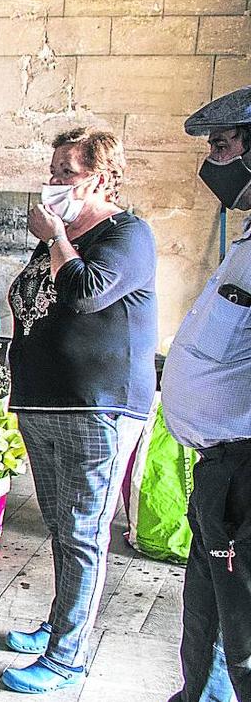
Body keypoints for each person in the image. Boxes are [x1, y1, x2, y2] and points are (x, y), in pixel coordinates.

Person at [1, 128, 158, 693]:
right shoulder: (56, 241)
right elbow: (27, 301)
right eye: (53, 170)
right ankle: (58, 627)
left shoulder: (128, 234)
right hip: (45, 401)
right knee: (60, 526)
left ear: (99, 175)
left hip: (100, 406)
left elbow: (88, 292)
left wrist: (59, 237)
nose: (54, 182)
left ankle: (67, 658)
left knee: (84, 529)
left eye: (66, 171)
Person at [162, 88, 251, 702]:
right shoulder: (244, 242)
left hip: (246, 470)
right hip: (220, 469)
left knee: (243, 633)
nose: (213, 163)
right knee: (208, 615)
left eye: (222, 146)